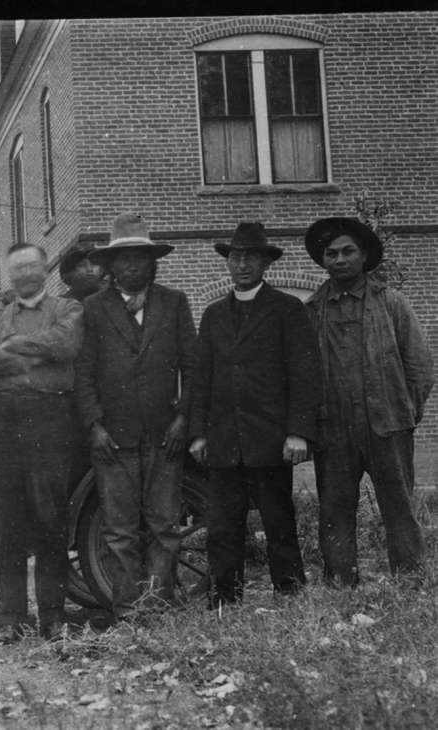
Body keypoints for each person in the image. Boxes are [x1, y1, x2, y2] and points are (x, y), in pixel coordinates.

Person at [188, 223, 321, 606]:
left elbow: (305, 375)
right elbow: (202, 378)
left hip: (271, 438)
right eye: (235, 257)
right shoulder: (214, 315)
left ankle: (291, 595)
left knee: (278, 520)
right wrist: (199, 433)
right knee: (223, 525)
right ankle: (224, 600)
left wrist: (298, 432)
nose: (242, 264)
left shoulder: (287, 309)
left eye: (250, 257)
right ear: (227, 262)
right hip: (225, 440)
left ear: (265, 263)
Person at [74, 213, 196, 619]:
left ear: (152, 262)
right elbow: (84, 372)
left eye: (140, 257)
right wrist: (94, 425)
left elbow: (193, 367)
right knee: (120, 530)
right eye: (123, 258)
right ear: (110, 266)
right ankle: (128, 608)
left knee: (164, 526)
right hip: (114, 438)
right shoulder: (93, 309)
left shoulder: (174, 303)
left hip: (166, 435)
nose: (132, 266)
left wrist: (184, 419)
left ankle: (158, 607)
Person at [303, 217, 434, 587]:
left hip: (387, 428)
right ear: (323, 260)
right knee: (335, 511)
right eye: (331, 253)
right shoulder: (312, 310)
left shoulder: (391, 303)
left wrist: (404, 414)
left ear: (363, 257)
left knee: (399, 509)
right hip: (333, 432)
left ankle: (410, 580)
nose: (339, 259)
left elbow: (420, 366)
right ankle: (341, 582)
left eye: (348, 252)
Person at [0, 242, 83, 641]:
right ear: (9, 275)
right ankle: (10, 619)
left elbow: (67, 344)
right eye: (17, 270)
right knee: (7, 522)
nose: (26, 275)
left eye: (33, 267)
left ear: (46, 268)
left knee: (50, 517)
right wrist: (37, 356)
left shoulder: (66, 309)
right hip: (3, 420)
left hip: (50, 417)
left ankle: (52, 616)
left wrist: (14, 346)